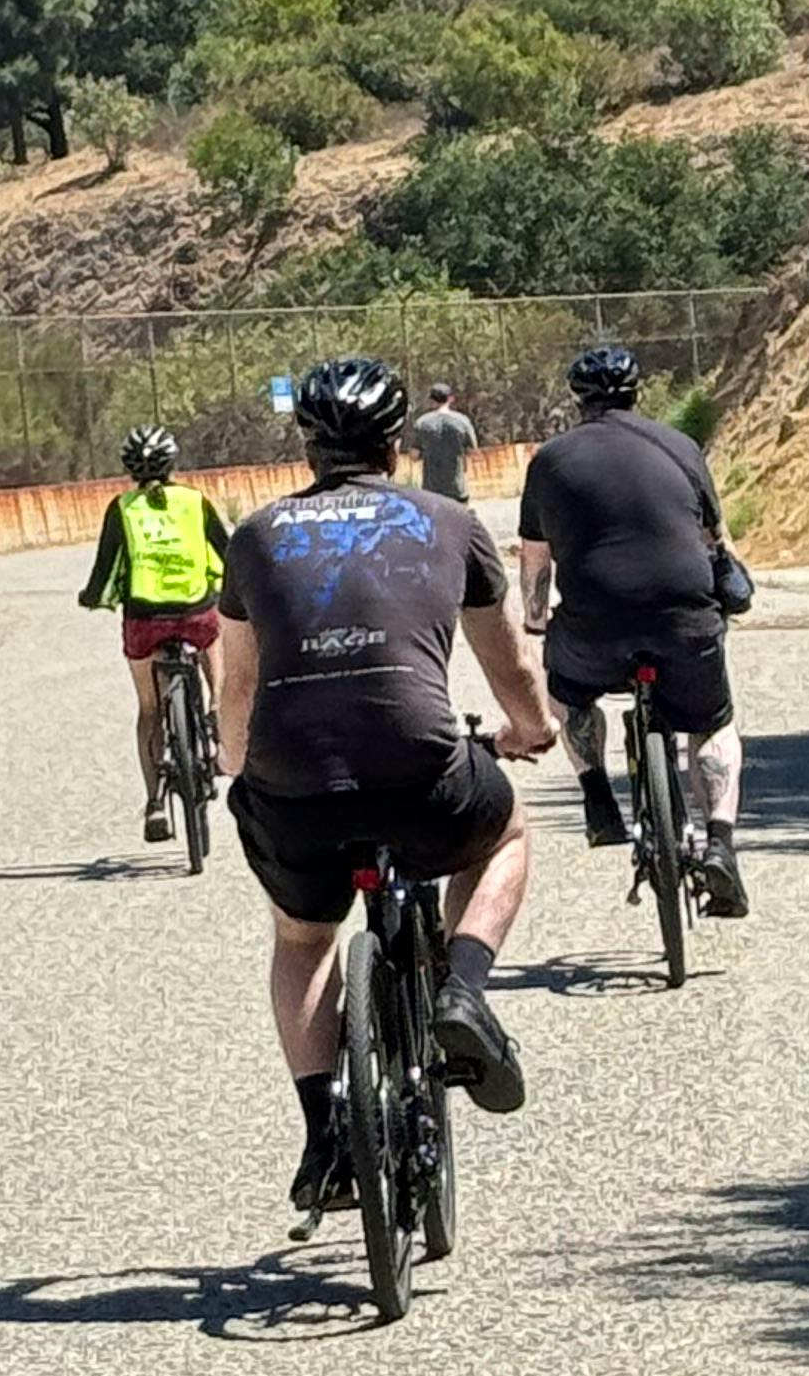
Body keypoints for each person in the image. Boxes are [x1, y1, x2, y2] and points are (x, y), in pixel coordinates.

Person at [214, 357, 558, 1220]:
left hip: (294, 783)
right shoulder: (449, 522)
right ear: (396, 445)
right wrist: (533, 729)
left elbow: (237, 695)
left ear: (307, 447)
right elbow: (509, 664)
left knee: (303, 939)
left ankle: (324, 1131)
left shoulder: (256, 536)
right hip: (418, 770)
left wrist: (235, 764)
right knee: (507, 834)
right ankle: (463, 991)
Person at [517, 344, 750, 918]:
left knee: (567, 692)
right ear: (636, 394)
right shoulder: (681, 447)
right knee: (713, 723)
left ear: (578, 401)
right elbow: (714, 540)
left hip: (596, 619)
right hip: (682, 611)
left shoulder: (550, 460)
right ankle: (719, 844)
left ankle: (598, 797)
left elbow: (534, 558)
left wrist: (535, 618)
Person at [75, 423, 232, 843]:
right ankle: (217, 713)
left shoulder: (122, 508)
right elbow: (226, 549)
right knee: (212, 639)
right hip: (195, 611)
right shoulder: (194, 502)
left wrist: (91, 597)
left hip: (144, 618)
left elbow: (105, 569)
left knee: (148, 709)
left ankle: (155, 804)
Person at [409, 382, 480, 503]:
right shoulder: (462, 421)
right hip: (456, 489)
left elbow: (413, 456)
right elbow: (474, 453)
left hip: (431, 490)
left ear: (431, 400)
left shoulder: (421, 423)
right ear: (450, 399)